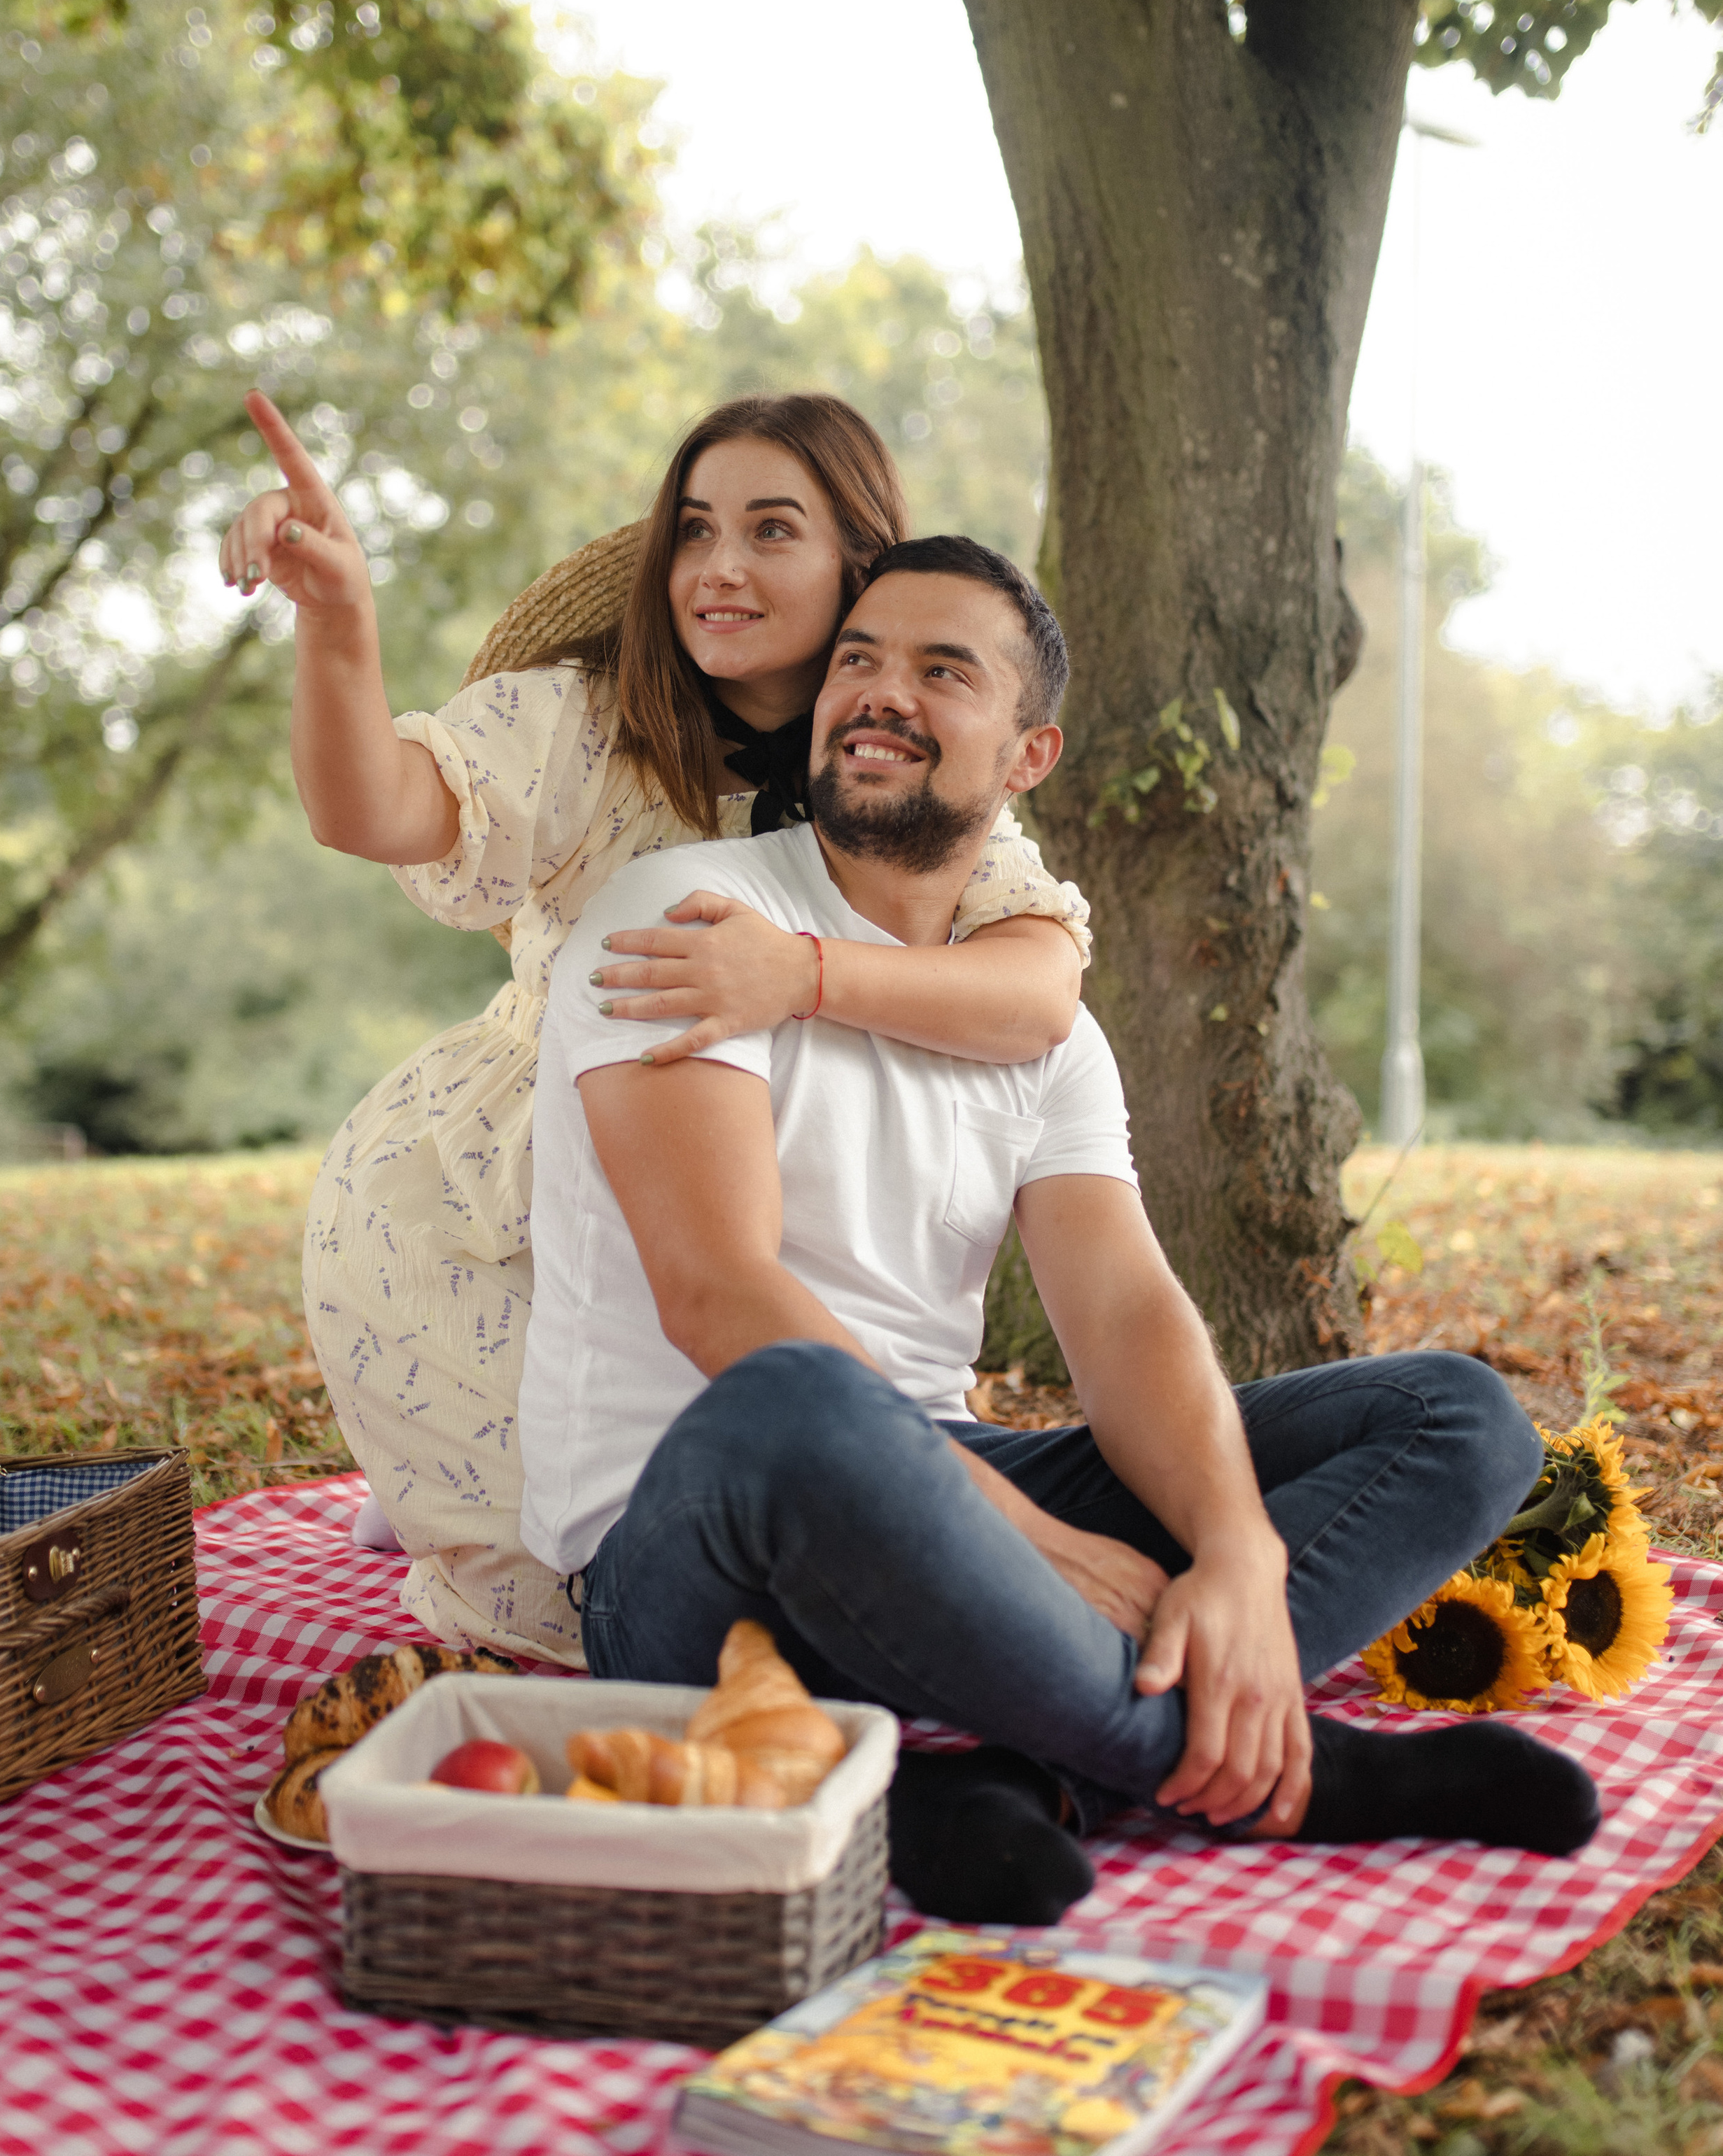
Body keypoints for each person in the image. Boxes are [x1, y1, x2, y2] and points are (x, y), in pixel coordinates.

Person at [523, 535, 1601, 1922]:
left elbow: (1124, 1314)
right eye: (856, 659)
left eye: (939, 670)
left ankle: (1033, 1780)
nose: (877, 691)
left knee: (1461, 1421)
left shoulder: (1038, 1027)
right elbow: (715, 1297)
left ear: (1028, 755)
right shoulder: (686, 921)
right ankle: (1296, 1771)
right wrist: (1029, 1538)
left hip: (936, 1501)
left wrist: (1234, 1553)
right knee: (795, 1397)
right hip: (688, 1545)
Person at [218, 394, 1092, 1661]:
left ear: (859, 568)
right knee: (581, 1605)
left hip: (743, 1187)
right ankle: (449, 1486)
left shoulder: (896, 755)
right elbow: (376, 810)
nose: (718, 568)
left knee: (804, 1499)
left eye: (771, 530)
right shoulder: (588, 722)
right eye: (693, 530)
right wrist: (341, 620)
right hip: (497, 1208)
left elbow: (1039, 990)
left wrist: (797, 976)